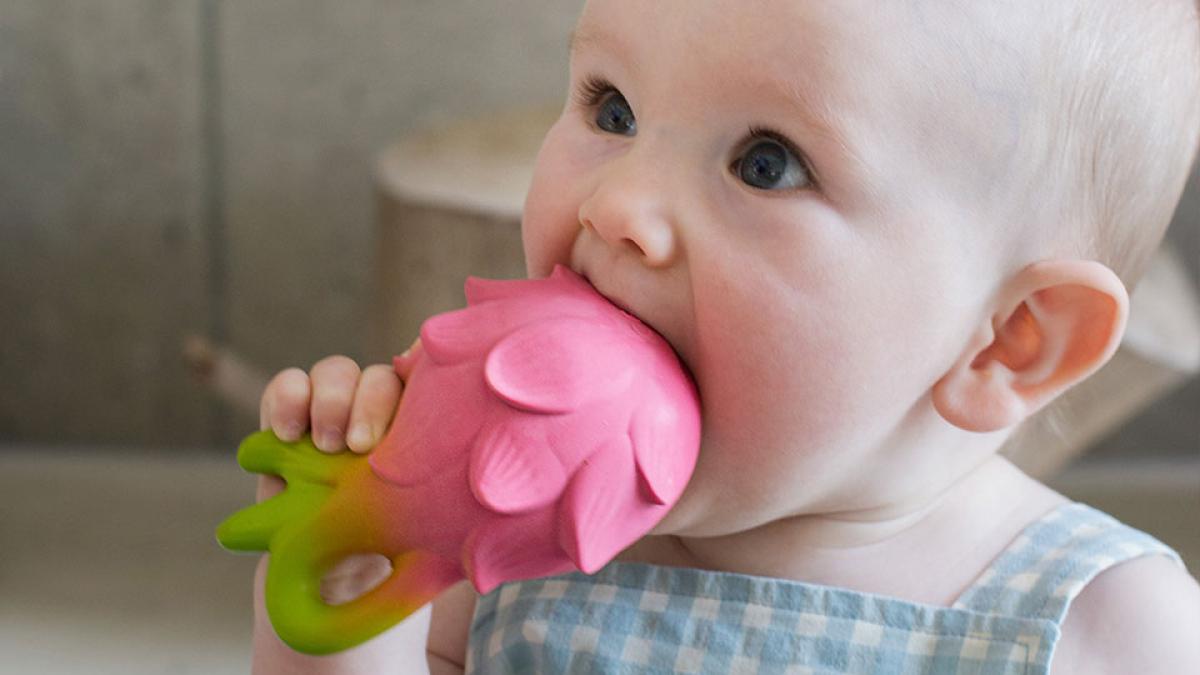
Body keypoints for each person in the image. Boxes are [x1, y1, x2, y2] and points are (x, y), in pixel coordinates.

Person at [250, 1, 1200, 672]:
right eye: (611, 108)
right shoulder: (505, 540)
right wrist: (345, 586)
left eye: (766, 163)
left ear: (1009, 340)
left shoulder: (1105, 628)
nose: (617, 204)